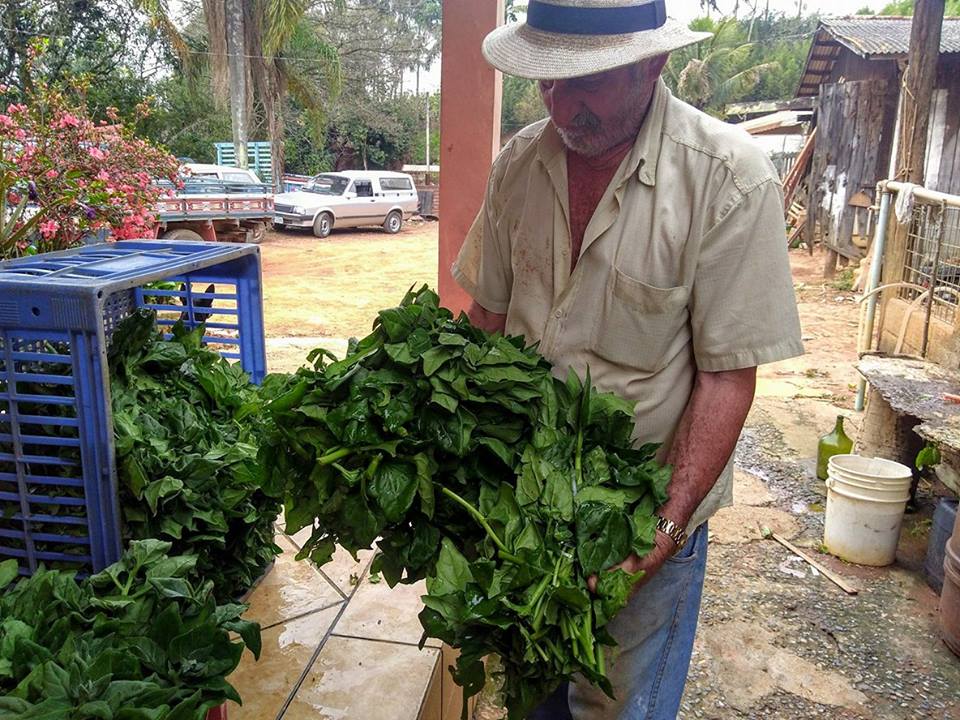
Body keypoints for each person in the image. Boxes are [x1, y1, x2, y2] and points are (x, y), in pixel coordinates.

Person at [452, 1, 804, 718]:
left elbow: (727, 376)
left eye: (586, 82)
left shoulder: (727, 178)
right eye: (549, 83)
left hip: (640, 511)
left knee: (619, 705)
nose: (563, 105)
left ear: (654, 63)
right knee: (529, 685)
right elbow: (485, 317)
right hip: (524, 498)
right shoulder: (520, 163)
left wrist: (660, 535)